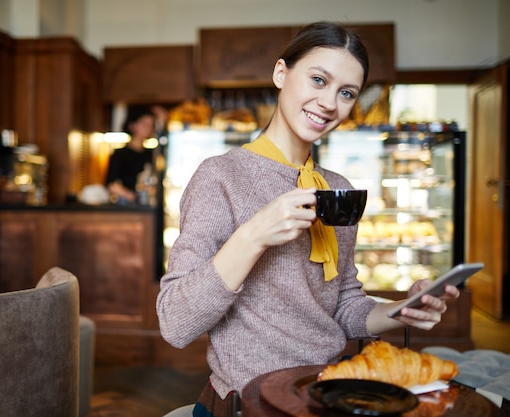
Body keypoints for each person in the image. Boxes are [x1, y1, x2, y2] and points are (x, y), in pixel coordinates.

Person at [156, 21, 460, 417]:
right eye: (318, 80)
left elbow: (343, 305)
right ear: (281, 73)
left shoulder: (337, 189)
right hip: (246, 402)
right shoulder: (220, 177)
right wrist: (254, 235)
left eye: (346, 92)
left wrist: (402, 308)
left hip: (324, 395)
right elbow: (175, 322)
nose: (330, 103)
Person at [105, 107, 156, 203]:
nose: (148, 128)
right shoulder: (120, 154)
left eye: (151, 125)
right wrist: (131, 196)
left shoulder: (152, 153)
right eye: (144, 124)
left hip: (147, 203)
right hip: (126, 204)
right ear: (132, 125)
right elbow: (112, 184)